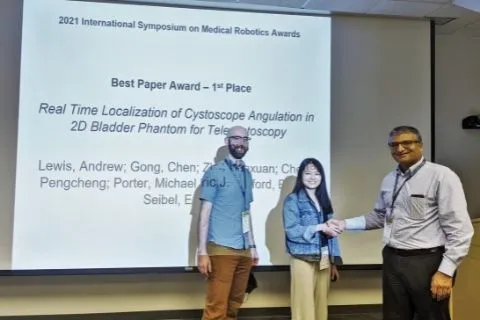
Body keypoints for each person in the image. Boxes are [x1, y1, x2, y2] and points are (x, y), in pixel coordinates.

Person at [329, 126, 474, 320]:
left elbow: (461, 230)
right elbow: (380, 216)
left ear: (420, 146)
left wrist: (446, 272)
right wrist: (343, 224)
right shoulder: (390, 179)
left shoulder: (442, 176)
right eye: (394, 144)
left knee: (432, 317)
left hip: (427, 262)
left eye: (407, 142)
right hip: (393, 259)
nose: (400, 148)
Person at [197, 125, 259, 320]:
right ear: (227, 142)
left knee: (234, 306)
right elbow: (204, 214)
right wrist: (202, 251)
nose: (241, 143)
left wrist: (252, 246)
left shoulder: (247, 174)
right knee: (216, 308)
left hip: (243, 250)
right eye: (236, 138)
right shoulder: (215, 172)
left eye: (245, 139)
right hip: (222, 248)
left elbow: (246, 213)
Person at [282, 158, 343, 320]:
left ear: (322, 177)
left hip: (324, 259)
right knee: (304, 305)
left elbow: (332, 233)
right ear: (301, 176)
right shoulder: (292, 199)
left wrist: (333, 261)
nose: (312, 177)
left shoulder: (324, 200)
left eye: (317, 173)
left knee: (321, 303)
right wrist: (318, 227)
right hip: (302, 258)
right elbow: (291, 231)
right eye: (308, 173)